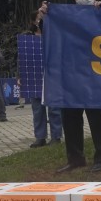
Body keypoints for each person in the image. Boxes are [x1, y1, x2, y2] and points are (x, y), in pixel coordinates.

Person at [38, 0, 101, 172]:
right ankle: (75, 159)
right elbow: (46, 34)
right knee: (70, 118)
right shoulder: (61, 16)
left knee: (98, 117)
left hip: (95, 74)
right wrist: (44, 16)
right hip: (69, 74)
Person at [23, 12, 62, 148]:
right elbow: (22, 59)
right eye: (39, 18)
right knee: (37, 109)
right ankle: (40, 137)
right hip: (34, 76)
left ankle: (56, 136)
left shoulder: (55, 36)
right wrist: (20, 76)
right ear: (34, 21)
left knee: (54, 108)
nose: (42, 20)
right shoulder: (27, 37)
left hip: (53, 76)